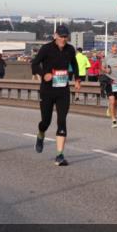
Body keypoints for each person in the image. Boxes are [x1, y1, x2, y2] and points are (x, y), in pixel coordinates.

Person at [31, 25, 81, 165]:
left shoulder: (70, 49)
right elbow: (34, 64)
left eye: (66, 37)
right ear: (55, 35)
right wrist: (43, 74)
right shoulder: (46, 48)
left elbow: (75, 65)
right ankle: (41, 135)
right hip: (47, 90)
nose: (63, 39)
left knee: (62, 120)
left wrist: (77, 79)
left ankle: (59, 155)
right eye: (61, 36)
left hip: (63, 90)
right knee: (45, 121)